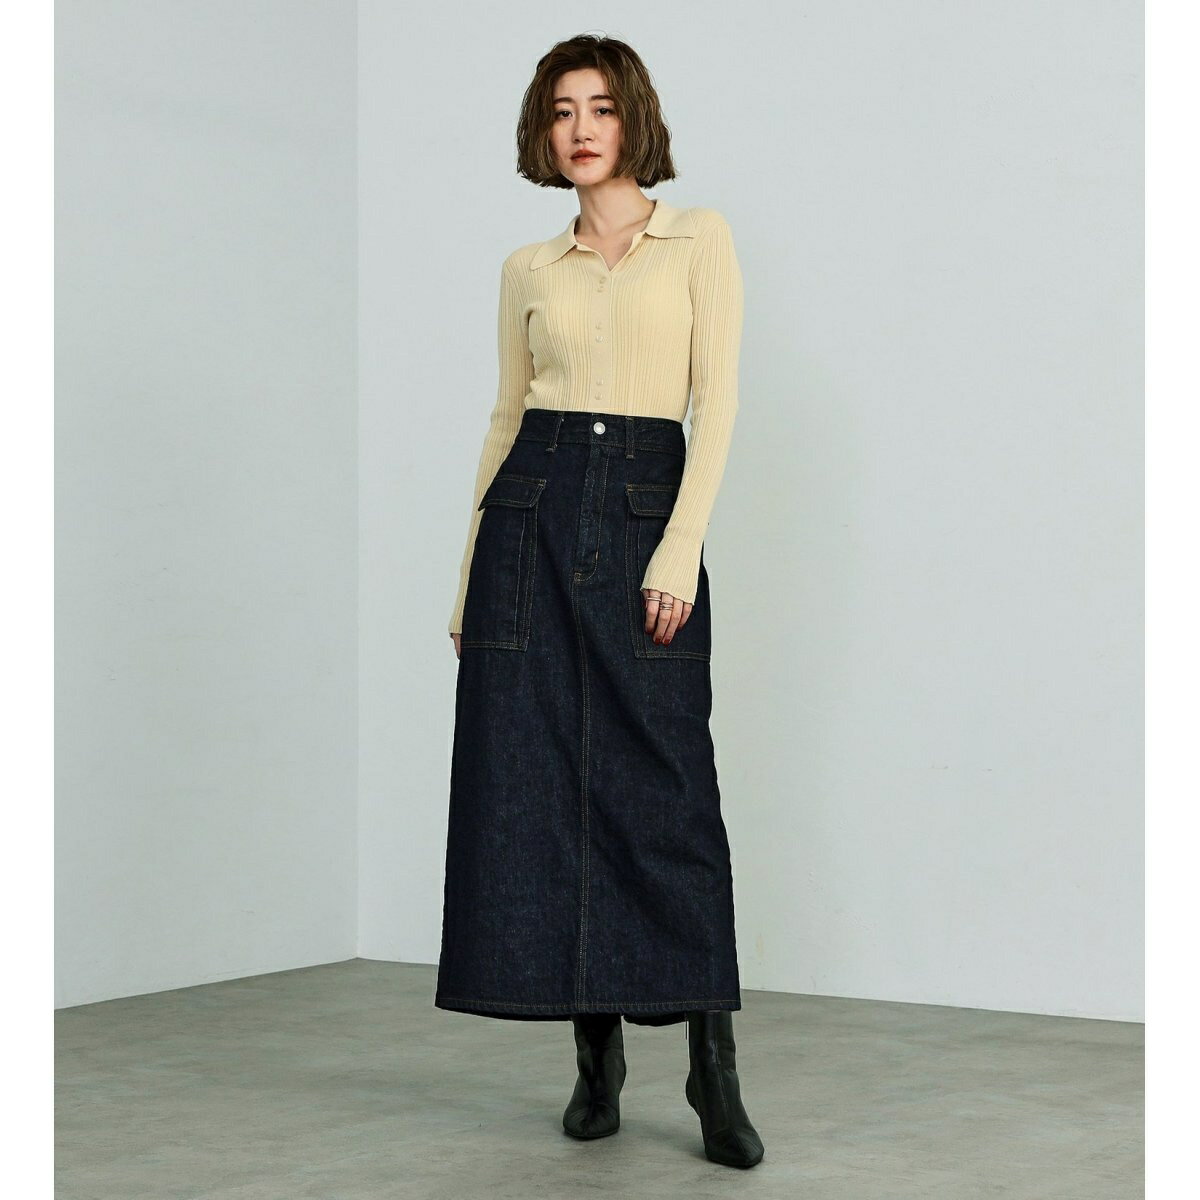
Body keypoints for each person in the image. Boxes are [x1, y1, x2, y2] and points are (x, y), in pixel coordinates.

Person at [434, 34, 763, 1169]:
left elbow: (717, 403)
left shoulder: (697, 239)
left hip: (643, 508)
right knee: (544, 782)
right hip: (531, 512)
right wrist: (470, 576)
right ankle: (594, 1060)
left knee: (666, 793)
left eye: (602, 107)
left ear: (635, 121)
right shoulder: (529, 266)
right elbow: (505, 418)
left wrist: (677, 552)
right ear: (543, 129)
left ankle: (713, 1069)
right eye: (562, 110)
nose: (581, 129)